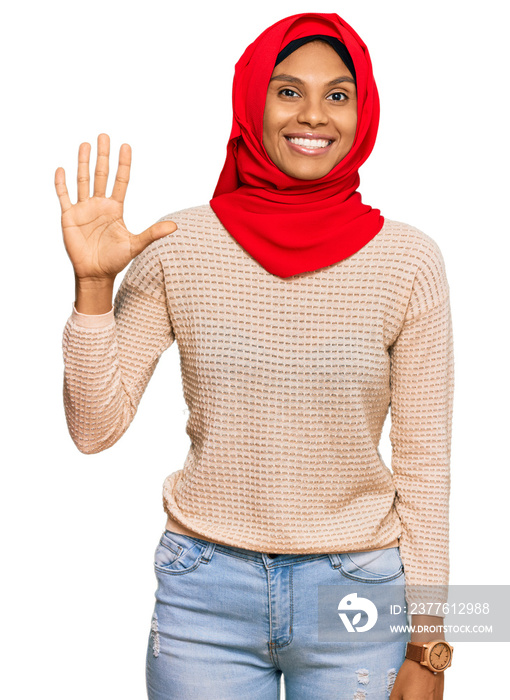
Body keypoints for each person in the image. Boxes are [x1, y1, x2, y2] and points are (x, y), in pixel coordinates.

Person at [55, 11, 454, 700]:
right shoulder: (176, 245)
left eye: (338, 94)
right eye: (287, 90)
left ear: (364, 112)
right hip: (204, 593)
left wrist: (431, 642)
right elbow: (95, 429)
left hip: (356, 599)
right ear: (252, 104)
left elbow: (426, 465)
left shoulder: (409, 262)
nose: (314, 115)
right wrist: (93, 286)